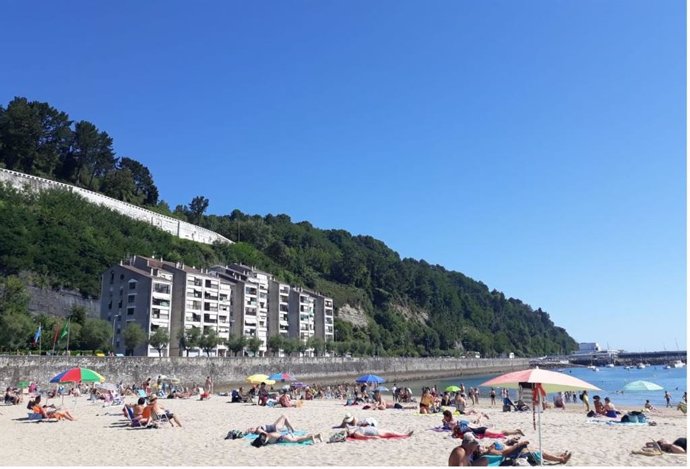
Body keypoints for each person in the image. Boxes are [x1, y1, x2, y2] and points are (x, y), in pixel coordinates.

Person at [251, 429, 322, 447]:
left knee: (296, 441)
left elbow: (264, 440)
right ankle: (316, 436)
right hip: (285, 435)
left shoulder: (267, 437)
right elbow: (263, 437)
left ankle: (310, 438)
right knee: (300, 438)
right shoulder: (268, 435)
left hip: (284, 437)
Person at [345, 425, 413, 440]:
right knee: (391, 433)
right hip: (376, 433)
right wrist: (373, 437)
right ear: (350, 433)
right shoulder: (355, 434)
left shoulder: (355, 429)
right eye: (349, 431)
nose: (350, 429)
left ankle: (405, 434)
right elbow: (364, 437)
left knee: (391, 432)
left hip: (375, 430)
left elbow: (349, 426)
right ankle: (405, 435)